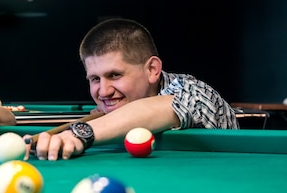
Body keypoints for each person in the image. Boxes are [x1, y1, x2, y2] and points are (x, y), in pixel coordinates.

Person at [28, 18, 239, 161]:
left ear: (152, 70)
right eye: (94, 79)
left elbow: (165, 107)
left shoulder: (194, 92)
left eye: (114, 75)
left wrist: (79, 134)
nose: (103, 92)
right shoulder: (109, 112)